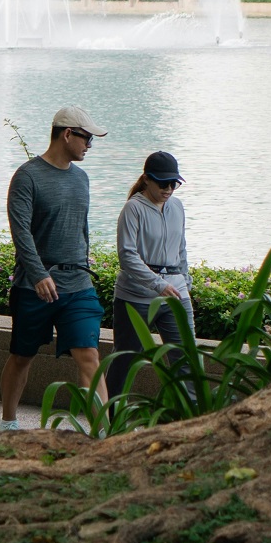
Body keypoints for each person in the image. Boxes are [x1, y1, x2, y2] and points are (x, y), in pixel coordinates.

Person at [0, 105, 108, 430]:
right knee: (22, 356)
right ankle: (8, 424)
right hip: (33, 288)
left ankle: (103, 433)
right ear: (67, 134)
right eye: (86, 138)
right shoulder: (27, 177)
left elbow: (81, 231)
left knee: (89, 356)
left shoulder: (82, 179)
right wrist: (39, 275)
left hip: (78, 285)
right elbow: (20, 233)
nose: (89, 145)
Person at [109, 151, 193, 398]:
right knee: (125, 359)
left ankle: (189, 421)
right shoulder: (133, 209)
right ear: (146, 179)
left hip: (176, 292)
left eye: (174, 183)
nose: (169, 189)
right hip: (136, 296)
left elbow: (181, 248)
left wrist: (185, 281)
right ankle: (110, 421)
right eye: (163, 183)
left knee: (186, 359)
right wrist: (157, 284)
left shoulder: (177, 206)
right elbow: (127, 256)